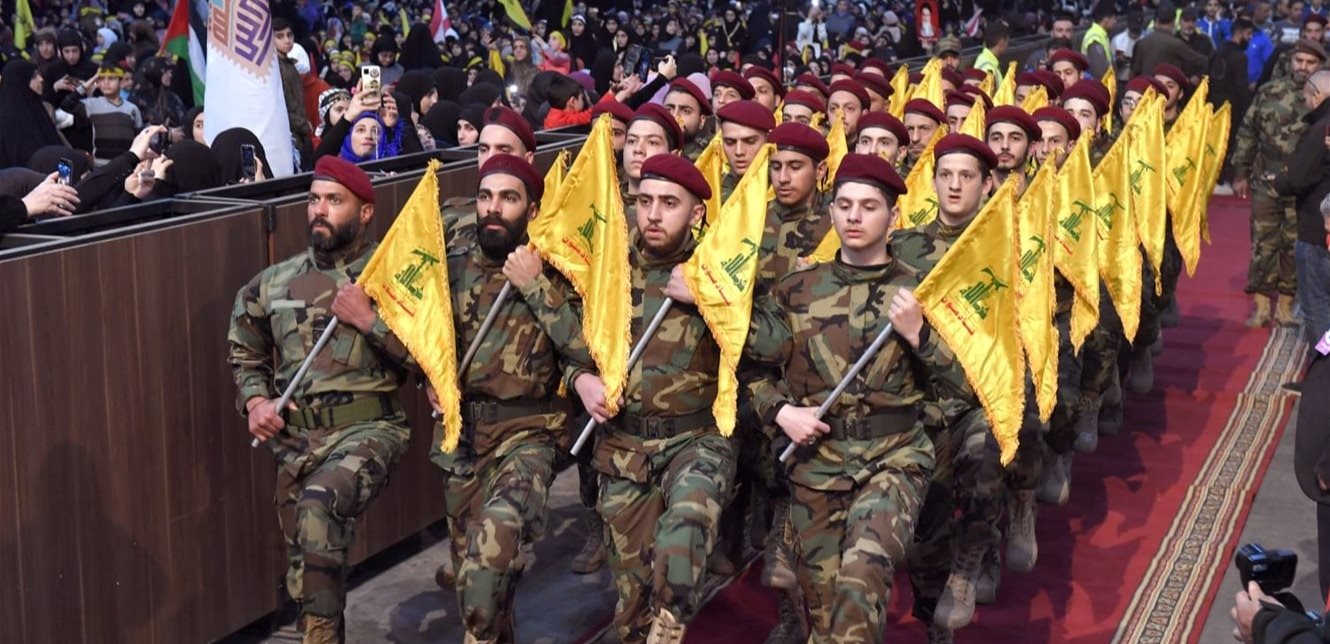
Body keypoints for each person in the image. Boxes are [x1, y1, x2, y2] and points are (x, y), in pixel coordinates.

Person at [745, 152, 965, 643]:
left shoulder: (920, 293)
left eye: (869, 206)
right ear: (831, 212)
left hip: (894, 459)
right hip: (816, 463)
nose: (854, 217)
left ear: (893, 216)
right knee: (826, 616)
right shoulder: (796, 289)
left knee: (862, 578)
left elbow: (968, 384)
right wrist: (781, 412)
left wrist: (920, 336)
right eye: (844, 206)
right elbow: (753, 372)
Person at [227, 155, 413, 643]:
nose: (319, 210)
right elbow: (245, 348)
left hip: (370, 429)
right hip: (297, 442)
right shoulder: (274, 281)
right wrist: (256, 403)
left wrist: (369, 321)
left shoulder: (392, 276)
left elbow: (429, 358)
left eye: (334, 200)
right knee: (309, 574)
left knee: (319, 505)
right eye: (314, 200)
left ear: (365, 212)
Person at [566, 153, 732, 643]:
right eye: (645, 201)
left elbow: (767, 345)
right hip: (624, 448)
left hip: (695, 440)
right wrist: (581, 380)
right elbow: (573, 343)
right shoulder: (609, 269)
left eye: (669, 203)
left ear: (696, 213)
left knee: (684, 538)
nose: (654, 214)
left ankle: (674, 615)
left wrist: (709, 299)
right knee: (632, 599)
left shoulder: (719, 269)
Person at [428, 154, 591, 643]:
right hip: (462, 437)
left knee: (491, 548)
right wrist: (427, 376)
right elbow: (417, 335)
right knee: (477, 585)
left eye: (508, 198)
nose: (493, 208)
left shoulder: (558, 269)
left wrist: (535, 286)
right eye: (485, 197)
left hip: (529, 433)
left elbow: (587, 349)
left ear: (532, 210)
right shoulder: (450, 266)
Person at [1232, 39, 1325, 328]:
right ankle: (1261, 305)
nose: (1303, 67)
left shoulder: (1323, 101)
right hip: (1266, 181)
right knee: (1263, 243)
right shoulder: (1269, 92)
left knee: (1293, 245)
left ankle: (1286, 306)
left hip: (1303, 186)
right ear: (1290, 61)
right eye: (1299, 61)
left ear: (1320, 66)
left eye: (1310, 63)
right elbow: (1248, 132)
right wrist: (1240, 172)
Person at [1276, 69, 1330, 345]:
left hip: (1317, 231)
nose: (1306, 103)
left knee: (1317, 304)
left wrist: (1280, 178)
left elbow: (1296, 178)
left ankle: (1323, 365)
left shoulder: (1322, 128)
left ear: (1317, 95)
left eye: (1307, 97)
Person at [60, 66, 144, 163]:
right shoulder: (92, 105)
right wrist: (91, 81)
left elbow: (140, 138)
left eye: (111, 78)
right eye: (101, 79)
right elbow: (66, 104)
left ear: (121, 83)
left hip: (127, 164)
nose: (106, 82)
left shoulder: (132, 109)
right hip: (101, 165)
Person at [0, 59, 63, 169]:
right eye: (34, 76)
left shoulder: (35, 106)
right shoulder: (9, 120)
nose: (41, 79)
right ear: (20, 81)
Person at [1130, 5, 1211, 81]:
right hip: (1165, 87)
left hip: (1146, 86)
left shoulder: (1142, 42)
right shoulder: (1175, 43)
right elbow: (1197, 59)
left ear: (1157, 21)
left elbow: (1134, 71)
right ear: (1174, 22)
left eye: (1193, 21)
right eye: (1186, 20)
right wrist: (1213, 61)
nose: (1189, 24)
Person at [716, 100, 775, 201]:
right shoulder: (714, 188)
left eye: (750, 141)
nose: (739, 152)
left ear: (768, 140)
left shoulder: (781, 188)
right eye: (730, 142)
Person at [664, 77, 714, 160]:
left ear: (701, 121)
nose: (675, 115)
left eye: (686, 111)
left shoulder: (710, 155)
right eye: (668, 109)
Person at [902, 99, 946, 177]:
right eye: (910, 129)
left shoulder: (947, 179)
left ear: (939, 134)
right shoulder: (891, 179)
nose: (915, 138)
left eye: (924, 129)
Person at [1081, 4, 1117, 79]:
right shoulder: (1094, 37)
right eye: (1114, 19)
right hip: (1098, 83)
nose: (1115, 22)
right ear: (1106, 20)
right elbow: (1100, 71)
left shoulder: (1102, 35)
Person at [974, 21, 1009, 86]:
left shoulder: (983, 59)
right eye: (1007, 41)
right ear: (1001, 41)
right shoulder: (988, 69)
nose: (1007, 45)